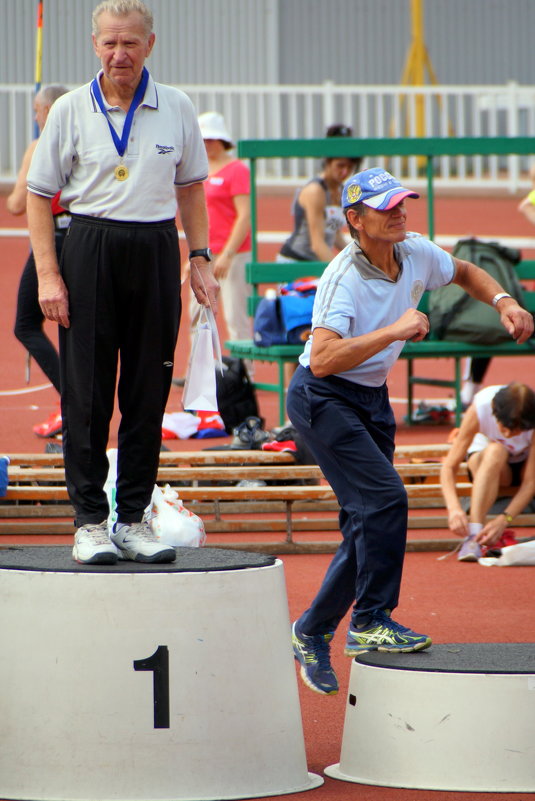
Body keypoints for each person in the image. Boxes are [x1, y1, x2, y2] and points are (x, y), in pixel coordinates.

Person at [286, 167, 534, 696]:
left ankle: (311, 630)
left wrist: (504, 302)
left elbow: (466, 271)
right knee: (385, 501)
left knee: (366, 522)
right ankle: (370, 620)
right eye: (385, 206)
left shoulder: (416, 250)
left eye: (402, 201)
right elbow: (324, 358)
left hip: (370, 400)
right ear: (355, 219)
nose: (400, 211)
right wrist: (396, 329)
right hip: (323, 397)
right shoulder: (343, 278)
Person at [26, 0, 218, 566]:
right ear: (94, 46)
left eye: (130, 43)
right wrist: (47, 274)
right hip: (89, 246)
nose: (120, 53)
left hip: (156, 248)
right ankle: (89, 522)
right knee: (86, 394)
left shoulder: (176, 106)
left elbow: (191, 189)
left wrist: (200, 257)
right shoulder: (68, 110)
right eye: (110, 42)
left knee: (146, 392)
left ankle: (132, 519)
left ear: (149, 45)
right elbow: (40, 196)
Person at [7, 84, 69, 438]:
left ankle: (72, 403)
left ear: (47, 111)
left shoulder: (39, 146)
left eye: (35, 110)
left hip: (52, 239)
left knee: (26, 325)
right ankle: (79, 405)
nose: (34, 116)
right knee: (73, 325)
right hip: (84, 237)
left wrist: (25, 164)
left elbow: (16, 205)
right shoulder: (83, 142)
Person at [440, 382, 535, 561]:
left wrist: (504, 520)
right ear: (494, 412)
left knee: (500, 449)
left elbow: (530, 482)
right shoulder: (481, 407)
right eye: (505, 429)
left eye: (517, 431)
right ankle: (474, 535)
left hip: (521, 468)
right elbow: (449, 466)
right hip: (487, 462)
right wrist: (454, 508)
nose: (508, 436)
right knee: (496, 449)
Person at [189, 110, 252, 375]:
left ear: (222, 140)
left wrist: (228, 253)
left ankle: (244, 372)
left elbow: (245, 215)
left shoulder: (237, 169)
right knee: (198, 314)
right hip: (204, 254)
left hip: (233, 255)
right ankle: (199, 372)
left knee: (234, 315)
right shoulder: (199, 170)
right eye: (202, 139)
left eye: (211, 139)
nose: (206, 144)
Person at [278, 124, 361, 264]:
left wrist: (358, 257)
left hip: (316, 262)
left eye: (350, 167)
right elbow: (317, 244)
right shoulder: (315, 191)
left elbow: (334, 234)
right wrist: (342, 271)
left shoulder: (341, 191)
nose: (345, 172)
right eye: (340, 166)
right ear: (328, 162)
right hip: (295, 262)